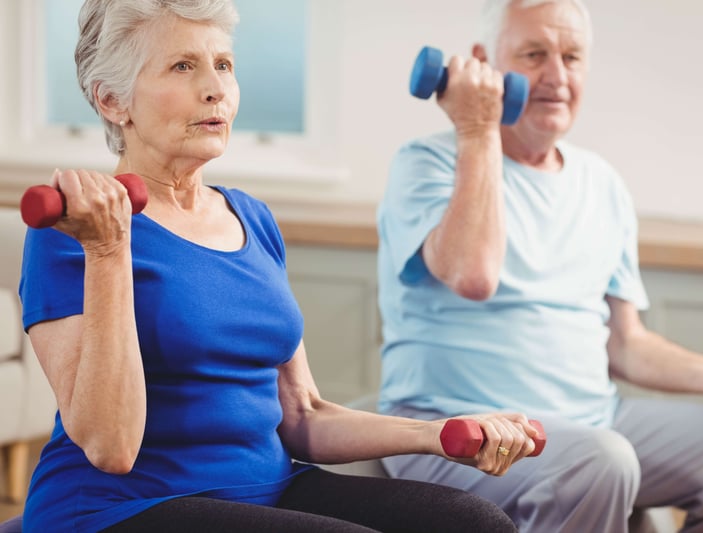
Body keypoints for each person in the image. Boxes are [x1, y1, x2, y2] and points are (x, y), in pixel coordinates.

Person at [17, 1, 539, 531]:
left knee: (474, 523)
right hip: (120, 508)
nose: (215, 88)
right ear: (111, 100)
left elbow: (304, 415)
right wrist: (109, 250)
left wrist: (438, 433)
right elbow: (111, 447)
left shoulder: (252, 218)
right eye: (182, 66)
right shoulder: (72, 235)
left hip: (270, 489)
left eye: (223, 64)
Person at [376, 0, 703, 531]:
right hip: (455, 428)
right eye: (534, 54)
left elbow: (627, 344)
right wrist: (478, 127)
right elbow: (474, 274)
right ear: (485, 62)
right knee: (602, 458)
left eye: (572, 57)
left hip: (594, 424)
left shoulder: (602, 183)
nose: (557, 76)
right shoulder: (427, 162)